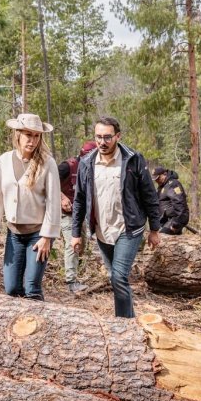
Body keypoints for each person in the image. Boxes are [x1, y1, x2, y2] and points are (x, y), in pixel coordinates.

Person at [71, 117, 161, 318]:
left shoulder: (133, 159)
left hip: (128, 228)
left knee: (119, 276)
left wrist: (154, 229)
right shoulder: (87, 163)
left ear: (118, 137)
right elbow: (79, 200)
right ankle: (130, 319)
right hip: (102, 230)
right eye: (98, 137)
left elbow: (149, 195)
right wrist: (76, 233)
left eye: (107, 137)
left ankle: (123, 324)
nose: (102, 142)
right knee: (115, 277)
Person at [0, 113, 61, 301]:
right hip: (14, 235)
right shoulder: (4, 160)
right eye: (28, 135)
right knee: (12, 289)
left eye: (36, 136)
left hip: (37, 235)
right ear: (17, 134)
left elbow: (53, 202)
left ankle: (39, 326)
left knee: (32, 287)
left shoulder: (47, 163)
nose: (32, 140)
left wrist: (47, 237)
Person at [58, 140, 96, 293]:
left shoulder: (94, 170)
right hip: (65, 214)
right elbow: (47, 181)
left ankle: (75, 272)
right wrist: (61, 198)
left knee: (82, 245)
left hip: (80, 214)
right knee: (72, 244)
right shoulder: (67, 166)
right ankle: (71, 281)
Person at [152, 166, 190, 235]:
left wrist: (176, 224)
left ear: (165, 174)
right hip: (165, 220)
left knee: (163, 239)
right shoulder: (162, 185)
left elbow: (180, 205)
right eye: (155, 180)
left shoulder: (173, 184)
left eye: (158, 178)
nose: (157, 181)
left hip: (174, 221)